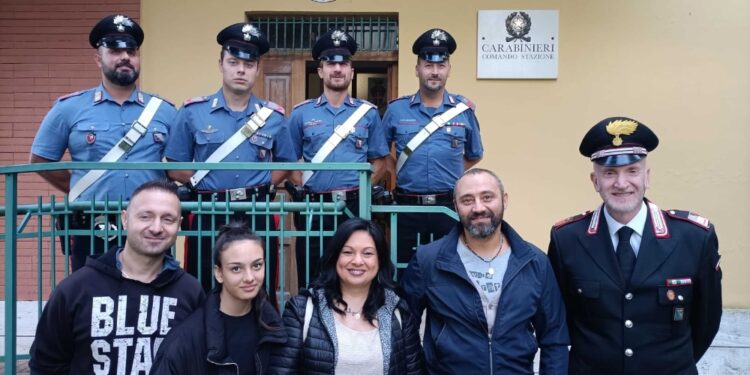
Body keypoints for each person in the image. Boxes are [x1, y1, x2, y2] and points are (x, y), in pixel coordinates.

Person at [547, 117, 722, 374]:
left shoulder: (694, 238)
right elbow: (560, 321)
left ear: (646, 176)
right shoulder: (567, 239)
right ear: (595, 181)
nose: (621, 183)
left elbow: (706, 321)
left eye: (632, 170)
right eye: (609, 173)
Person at [29, 14, 177, 271]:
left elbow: (178, 164)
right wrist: (81, 188)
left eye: (131, 51)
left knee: (151, 298)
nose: (125, 57)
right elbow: (41, 160)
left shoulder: (165, 111)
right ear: (98, 58)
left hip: (150, 226)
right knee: (91, 300)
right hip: (92, 223)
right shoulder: (70, 108)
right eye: (114, 50)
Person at [165, 22, 296, 297]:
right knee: (202, 282)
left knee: (260, 285)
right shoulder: (192, 112)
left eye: (248, 65)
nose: (240, 70)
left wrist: (257, 184)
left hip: (256, 210)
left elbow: (286, 162)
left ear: (257, 69)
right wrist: (210, 183)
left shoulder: (272, 117)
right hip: (207, 210)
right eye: (233, 61)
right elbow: (175, 165)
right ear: (221, 64)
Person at [401, 168, 569, 374]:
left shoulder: (535, 262)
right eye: (467, 200)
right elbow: (404, 329)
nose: (478, 208)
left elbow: (555, 340)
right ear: (455, 206)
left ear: (504, 200)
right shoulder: (428, 260)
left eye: (487, 197)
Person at [28, 180, 204, 374]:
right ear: (125, 219)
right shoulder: (75, 290)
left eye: (168, 219)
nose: (156, 227)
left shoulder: (190, 292)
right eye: (145, 217)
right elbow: (46, 364)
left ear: (179, 225)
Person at [287, 29, 389, 287]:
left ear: (351, 71)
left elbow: (380, 162)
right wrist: (306, 186)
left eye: (343, 63)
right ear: (320, 70)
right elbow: (287, 160)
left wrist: (363, 189)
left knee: (355, 276)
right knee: (312, 276)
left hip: (353, 207)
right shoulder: (301, 113)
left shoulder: (368, 114)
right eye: (330, 63)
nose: (337, 68)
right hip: (314, 207)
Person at [383, 28, 483, 277]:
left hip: (448, 206)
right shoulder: (396, 110)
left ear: (448, 68)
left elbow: (474, 154)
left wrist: (450, 171)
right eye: (428, 65)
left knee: (449, 273)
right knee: (404, 274)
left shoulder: (463, 111)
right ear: (417, 68)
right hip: (406, 208)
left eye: (441, 65)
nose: (434, 72)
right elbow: (380, 153)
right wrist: (401, 171)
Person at [269, 218, 423, 374]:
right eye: (348, 252)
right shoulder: (302, 310)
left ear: (380, 260)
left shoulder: (398, 312)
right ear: (335, 257)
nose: (357, 261)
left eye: (367, 253)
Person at [150, 222, 287, 374]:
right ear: (219, 273)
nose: (249, 277)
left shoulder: (275, 329)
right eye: (236, 268)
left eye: (257, 266)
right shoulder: (185, 339)